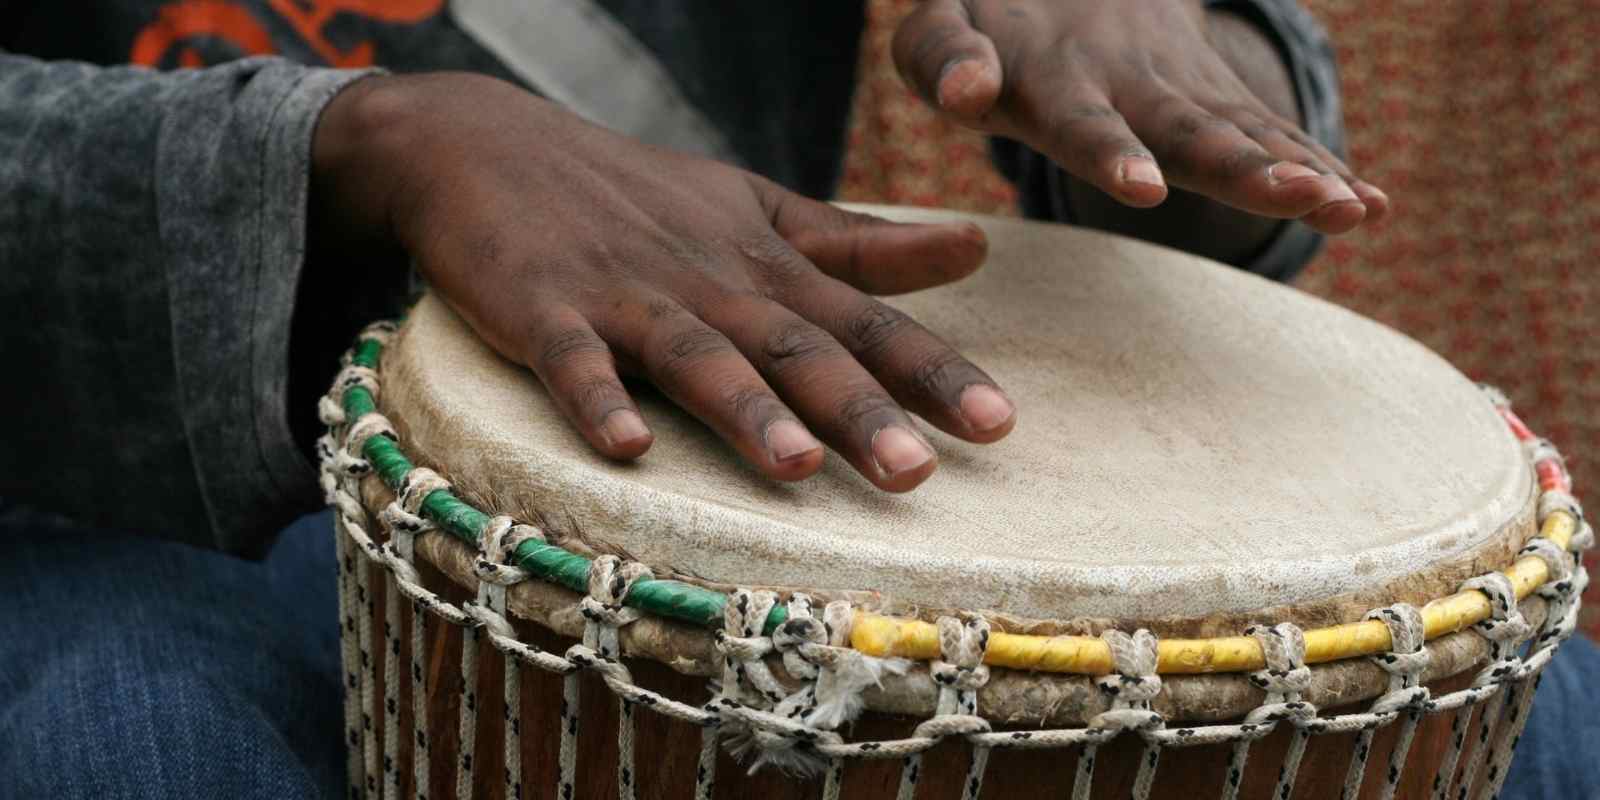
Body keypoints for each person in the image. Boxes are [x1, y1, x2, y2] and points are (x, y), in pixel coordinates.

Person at [0, 1, 1591, 797]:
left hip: (772, 414)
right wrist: (373, 144)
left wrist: (1169, 51)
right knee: (125, 739)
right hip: (112, 488)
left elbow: (1223, 123)